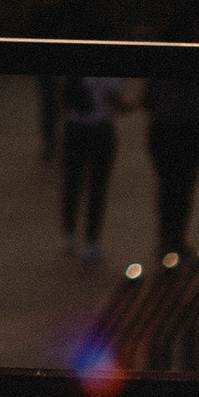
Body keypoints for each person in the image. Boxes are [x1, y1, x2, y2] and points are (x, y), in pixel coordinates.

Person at [140, 63, 199, 255]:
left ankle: (167, 237)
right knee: (184, 188)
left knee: (167, 186)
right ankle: (176, 237)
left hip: (164, 130)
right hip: (189, 129)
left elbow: (147, 100)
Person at [55, 71, 124, 260]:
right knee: (97, 188)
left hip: (74, 128)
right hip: (100, 129)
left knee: (72, 183)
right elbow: (114, 100)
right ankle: (91, 242)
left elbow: (60, 97)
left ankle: (69, 235)